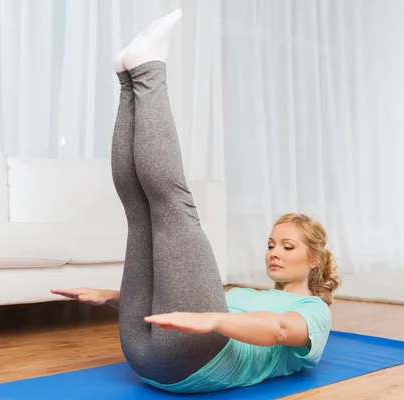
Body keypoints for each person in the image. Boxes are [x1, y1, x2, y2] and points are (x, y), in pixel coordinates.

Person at [51, 9, 340, 394]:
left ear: (315, 259)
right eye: (272, 244)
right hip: (144, 353)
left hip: (200, 357)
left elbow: (279, 329)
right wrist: (109, 298)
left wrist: (214, 322)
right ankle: (129, 80)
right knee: (140, 213)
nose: (275, 252)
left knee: (174, 208)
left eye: (288, 246)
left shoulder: (314, 312)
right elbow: (178, 306)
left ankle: (149, 71)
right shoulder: (242, 294)